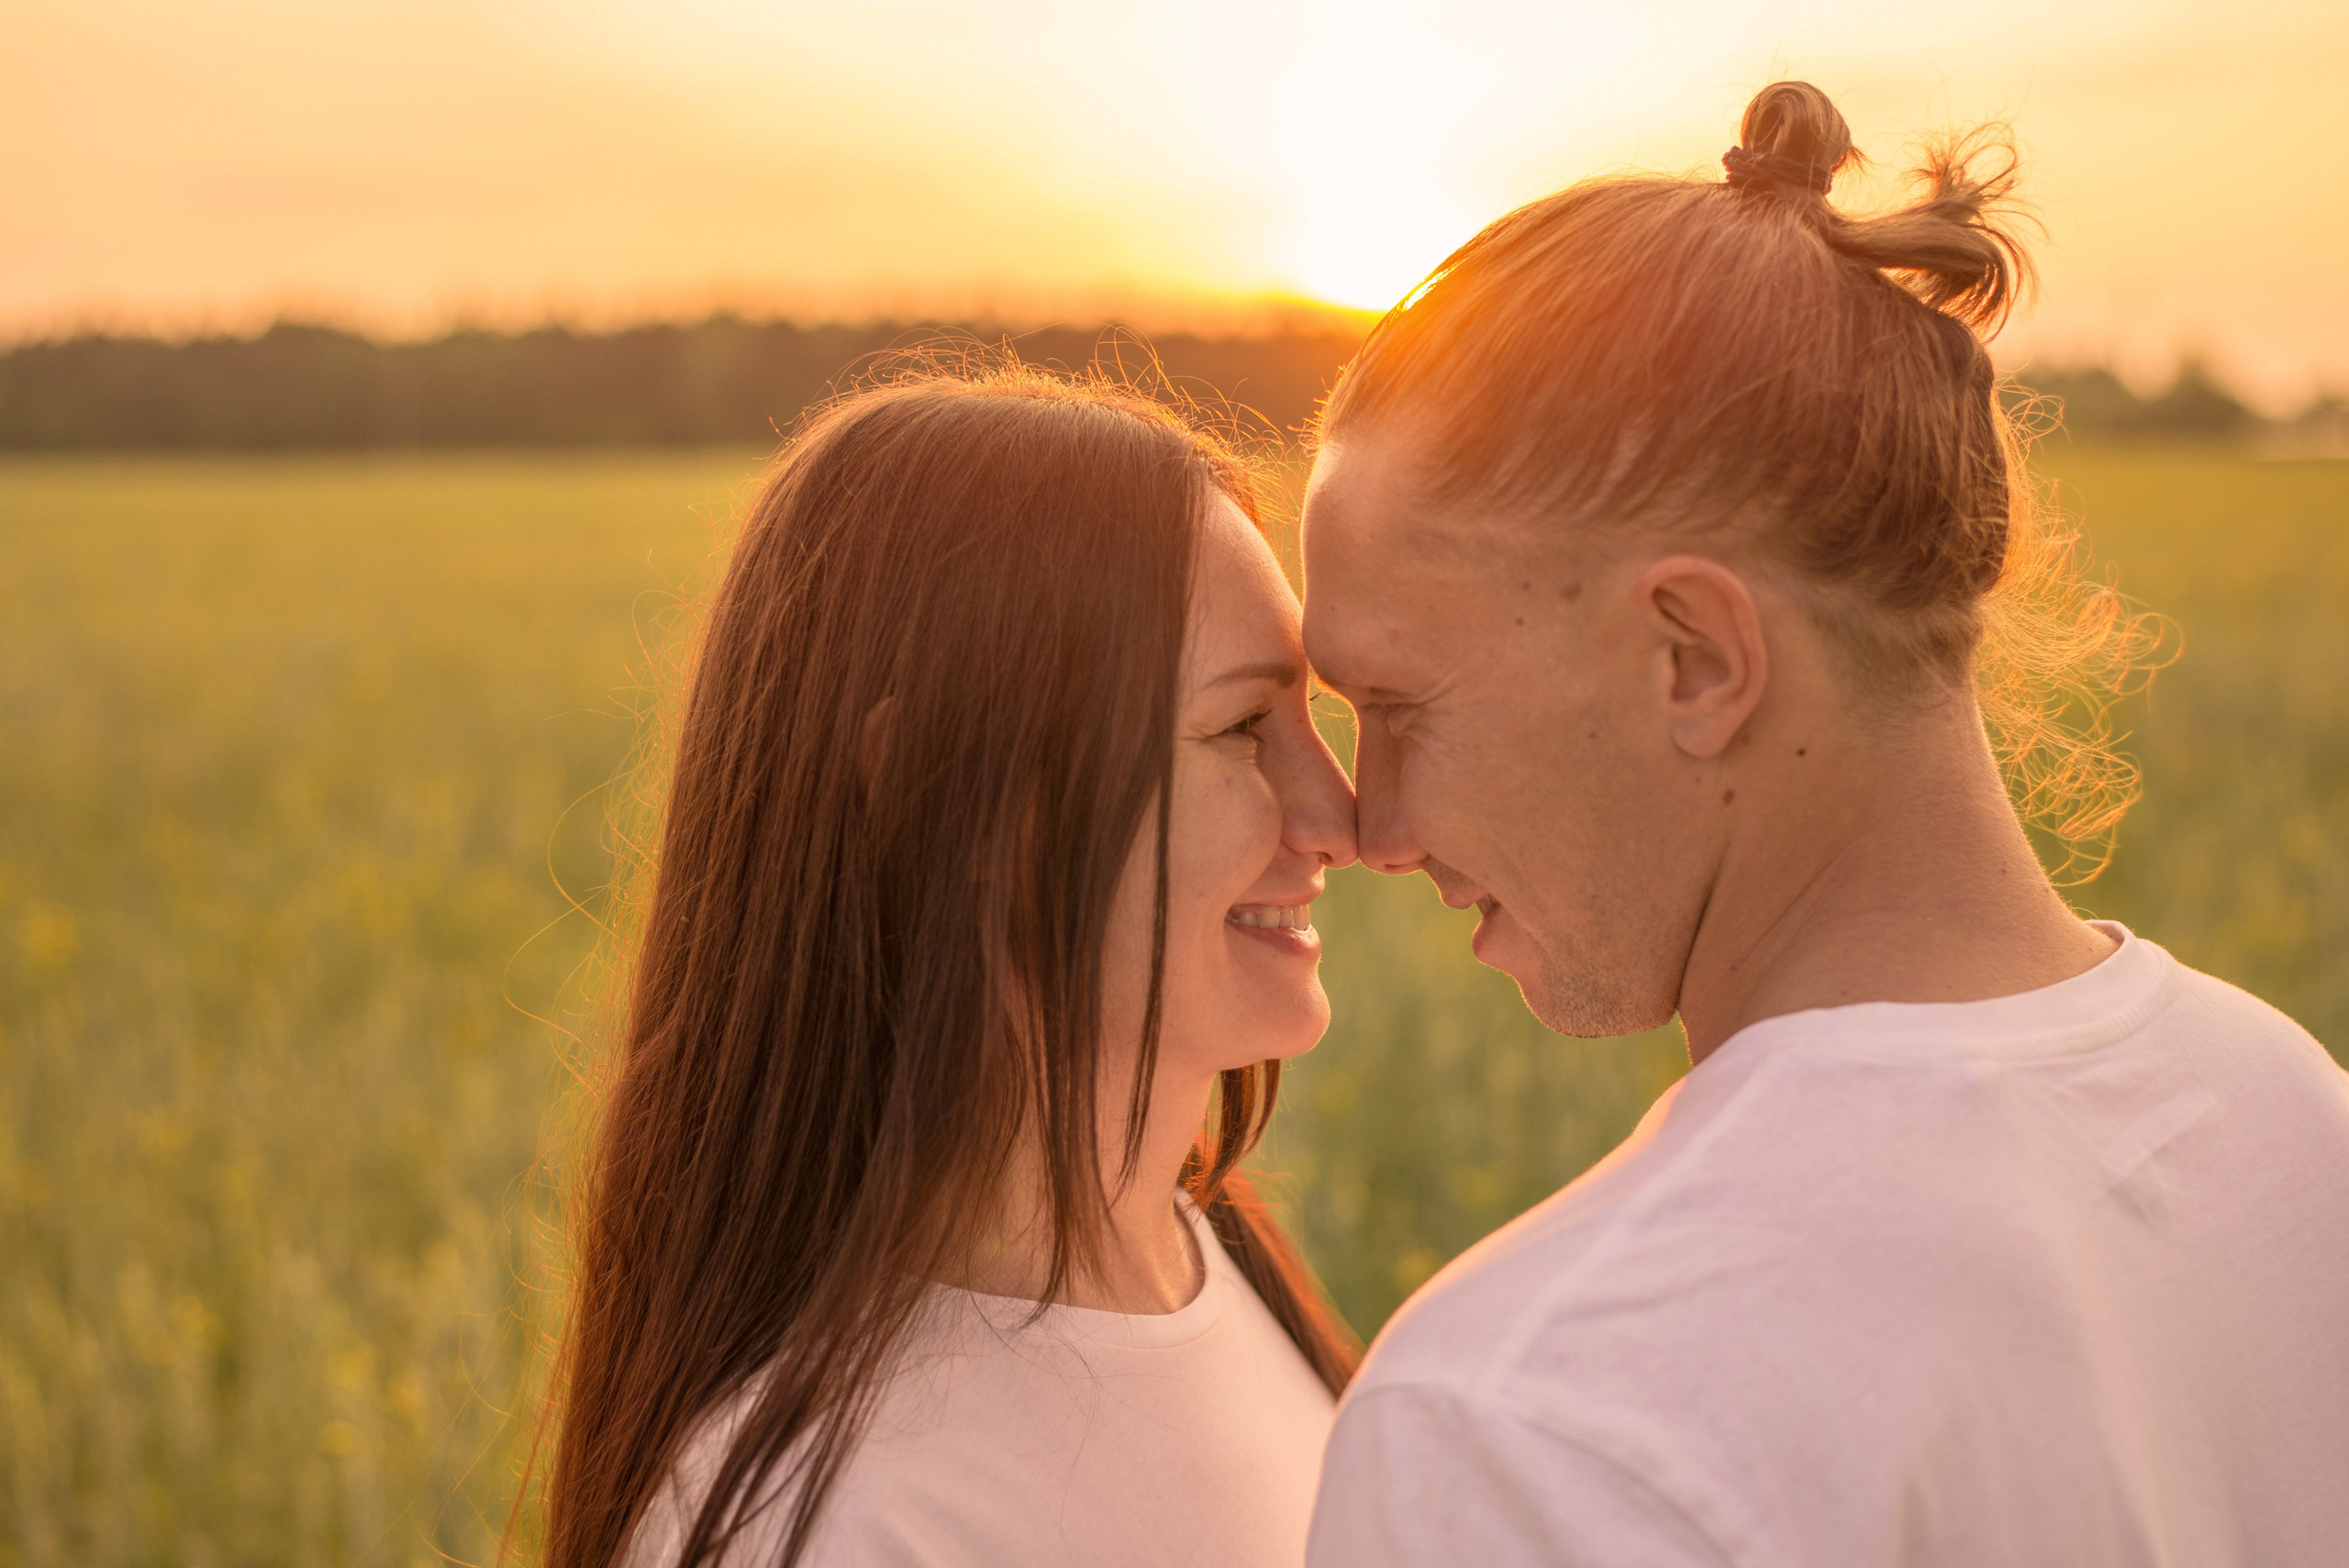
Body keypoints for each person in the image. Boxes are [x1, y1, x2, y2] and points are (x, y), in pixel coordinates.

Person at [1300, 81, 2349, 1566]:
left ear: (1696, 660)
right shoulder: (2295, 1119)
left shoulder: (1532, 1425)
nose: (1373, 825)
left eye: (1399, 706)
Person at [541, 365, 1362, 1568]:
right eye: (1244, 727)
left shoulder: (1215, 1267)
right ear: (957, 796)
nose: (1337, 816)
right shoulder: (835, 1523)